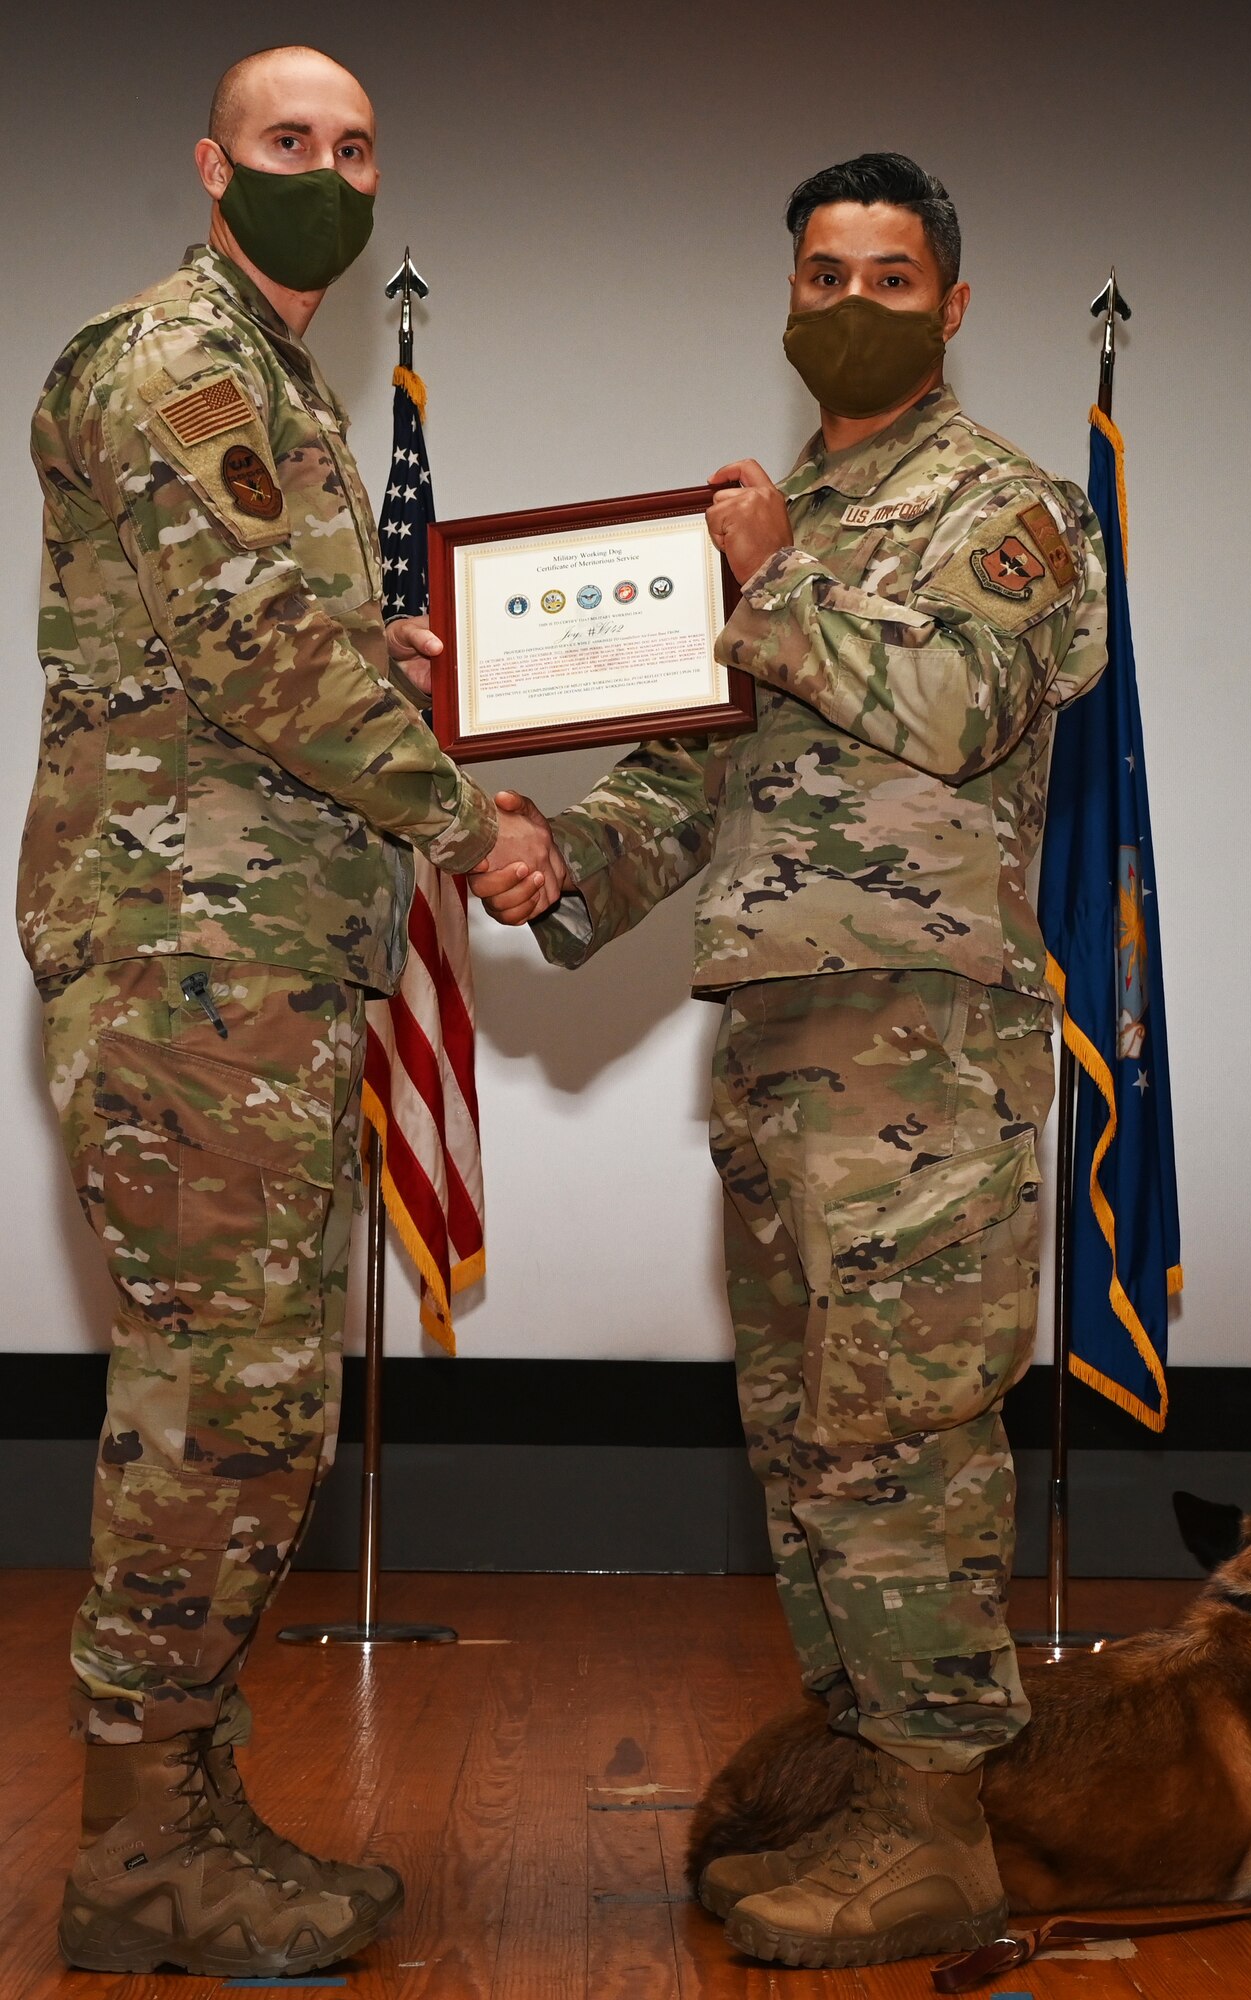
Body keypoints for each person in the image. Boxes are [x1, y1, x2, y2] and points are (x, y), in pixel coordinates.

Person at [471, 152, 1109, 1968]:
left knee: (904, 1438)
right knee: (809, 1443)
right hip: (774, 1046)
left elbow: (965, 704)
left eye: (889, 277)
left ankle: (943, 1838)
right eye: (821, 270)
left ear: (954, 306)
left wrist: (765, 584)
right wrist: (551, 866)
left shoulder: (1006, 507)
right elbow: (689, 772)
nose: (847, 302)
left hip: (925, 1051)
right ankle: (866, 1781)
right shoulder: (783, 521)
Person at [23, 44, 548, 1978]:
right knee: (217, 1409)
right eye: (286, 144)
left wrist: (401, 653)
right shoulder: (177, 363)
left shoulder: (278, 385)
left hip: (250, 962)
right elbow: (259, 660)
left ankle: (183, 1805)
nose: (325, 172)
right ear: (211, 164)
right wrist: (465, 809)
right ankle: (138, 1853)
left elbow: (272, 641)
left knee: (249, 1407)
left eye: (354, 147)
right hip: (191, 958)